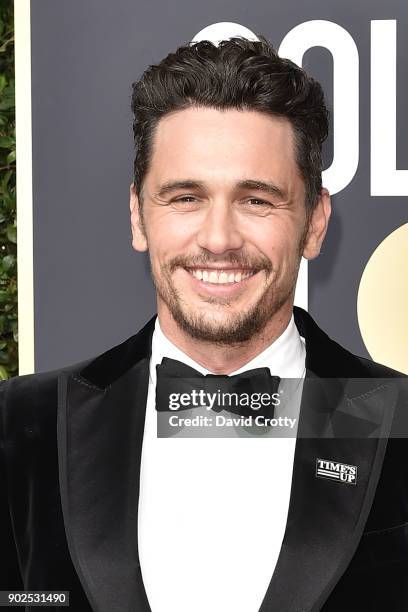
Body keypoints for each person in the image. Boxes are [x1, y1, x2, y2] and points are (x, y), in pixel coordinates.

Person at [1, 35, 407, 612]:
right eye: (186, 197)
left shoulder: (396, 417)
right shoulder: (21, 426)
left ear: (314, 223)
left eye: (257, 200)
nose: (218, 240)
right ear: (138, 216)